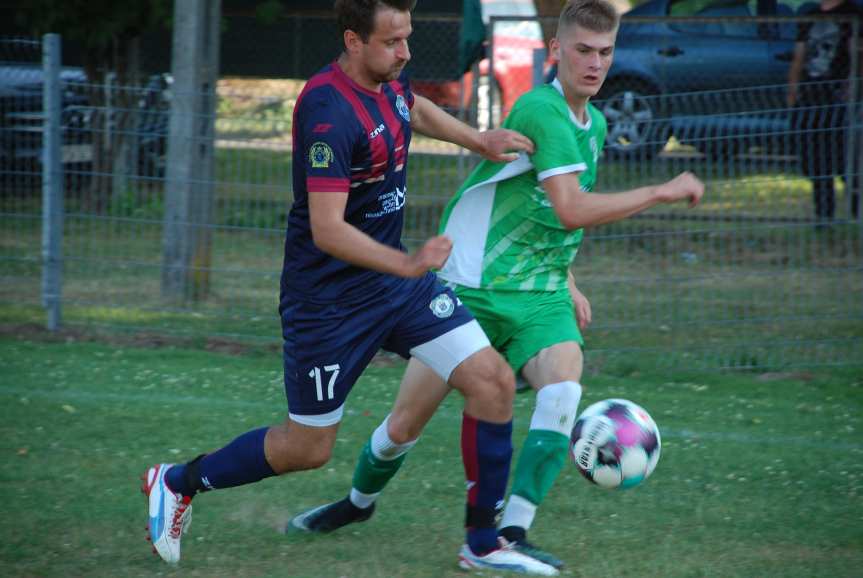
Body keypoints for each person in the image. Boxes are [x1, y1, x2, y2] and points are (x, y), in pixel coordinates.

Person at [141, 1, 562, 574]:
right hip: (329, 304)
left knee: (491, 383)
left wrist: (477, 139)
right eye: (393, 42)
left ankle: (483, 543)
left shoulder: (389, 78)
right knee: (306, 449)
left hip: (396, 289)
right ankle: (176, 481)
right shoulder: (325, 109)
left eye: (407, 38)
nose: (406, 52)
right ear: (353, 41)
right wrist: (409, 262)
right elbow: (328, 228)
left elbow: (412, 107)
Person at [289, 0, 705, 571]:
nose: (594, 64)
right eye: (582, 50)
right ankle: (358, 503)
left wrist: (568, 279)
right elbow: (569, 209)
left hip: (539, 294)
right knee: (403, 425)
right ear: (556, 51)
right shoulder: (539, 110)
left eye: (605, 53)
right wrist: (657, 192)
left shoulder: (597, 124)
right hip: (472, 288)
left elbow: (542, 213)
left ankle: (509, 533)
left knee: (563, 390)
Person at [788, 0, 863, 222]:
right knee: (816, 162)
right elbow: (799, 57)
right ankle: (823, 215)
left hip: (839, 101)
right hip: (811, 100)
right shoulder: (809, 14)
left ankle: (857, 214)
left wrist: (853, 85)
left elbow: (858, 55)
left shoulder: (854, 14)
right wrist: (792, 91)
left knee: (845, 162)